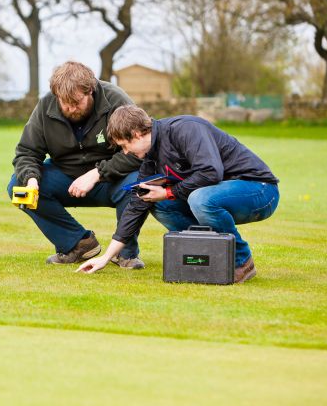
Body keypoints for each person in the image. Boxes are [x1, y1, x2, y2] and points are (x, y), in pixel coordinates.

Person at [77, 105, 280, 283]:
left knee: (199, 199)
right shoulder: (150, 158)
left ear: (137, 134)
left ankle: (241, 262)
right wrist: (106, 257)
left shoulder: (185, 129)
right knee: (155, 202)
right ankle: (210, 255)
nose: (126, 152)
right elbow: (136, 206)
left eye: (124, 145)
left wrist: (168, 192)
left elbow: (210, 171)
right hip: (219, 195)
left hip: (260, 190)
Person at [7, 61, 145, 267]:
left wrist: (97, 173)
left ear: (90, 91)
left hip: (111, 179)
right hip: (65, 177)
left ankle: (125, 252)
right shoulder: (46, 105)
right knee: (17, 184)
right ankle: (77, 244)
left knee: (138, 183)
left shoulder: (116, 100)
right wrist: (31, 179)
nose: (70, 108)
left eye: (77, 102)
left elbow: (139, 149)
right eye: (65, 103)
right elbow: (27, 151)